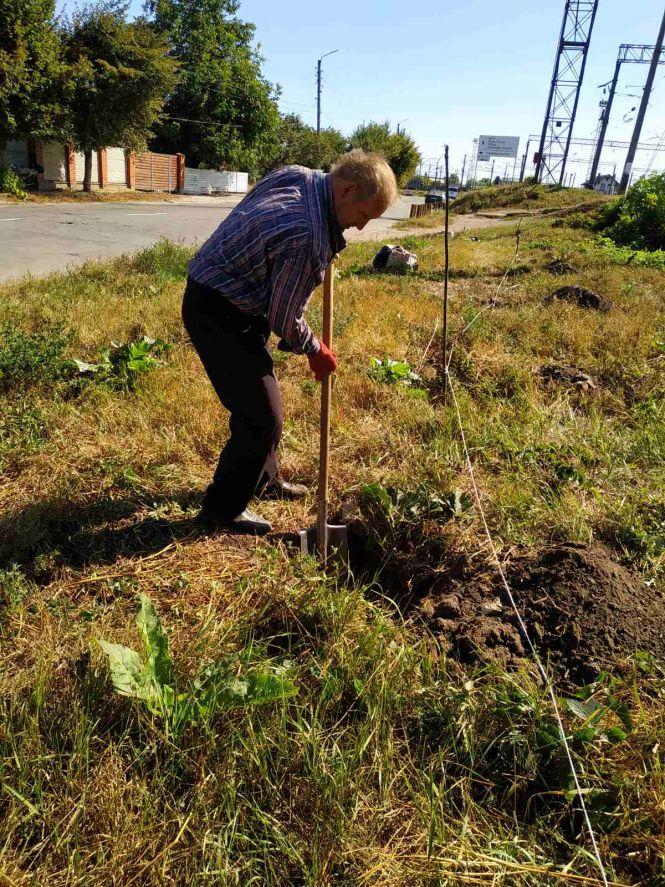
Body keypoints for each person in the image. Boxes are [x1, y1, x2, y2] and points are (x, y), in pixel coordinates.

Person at [182, 149, 399, 534]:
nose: (362, 227)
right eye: (364, 216)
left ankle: (262, 479)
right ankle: (222, 510)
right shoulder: (305, 234)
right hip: (218, 311)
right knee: (262, 417)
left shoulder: (298, 175)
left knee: (263, 401)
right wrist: (316, 350)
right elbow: (284, 317)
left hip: (232, 294)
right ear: (347, 190)